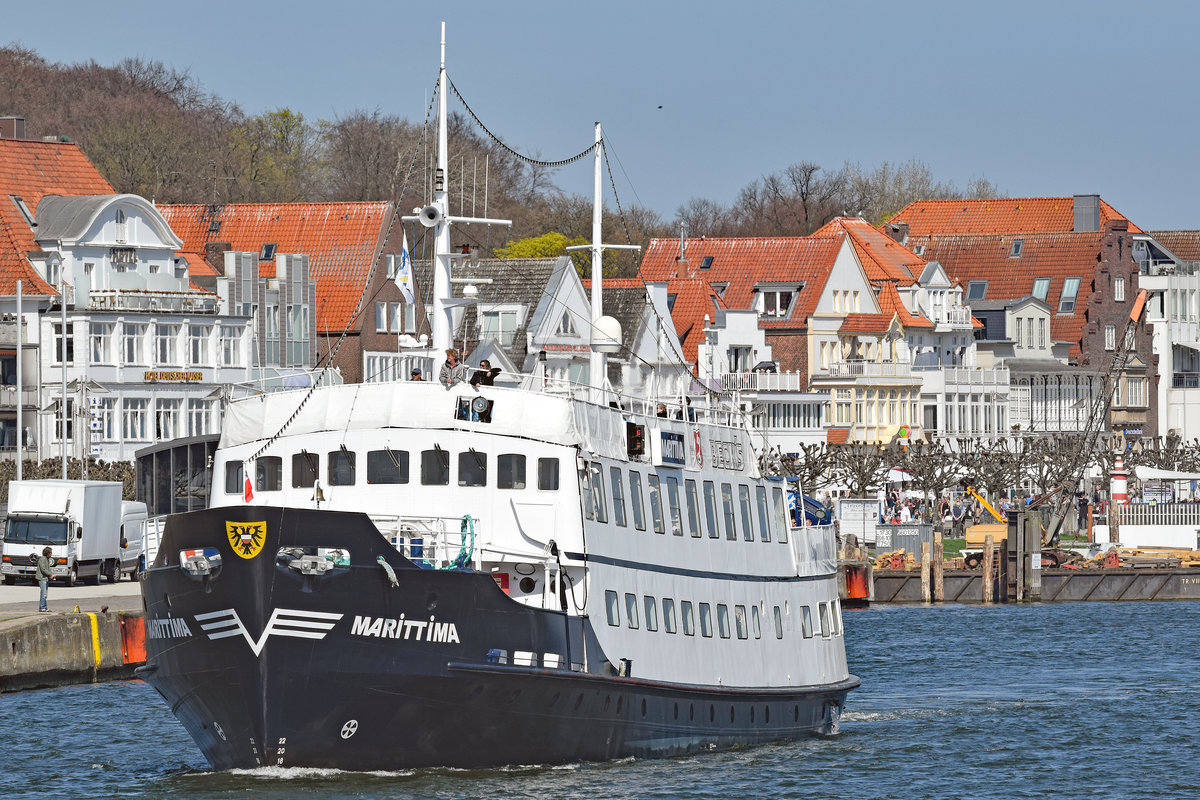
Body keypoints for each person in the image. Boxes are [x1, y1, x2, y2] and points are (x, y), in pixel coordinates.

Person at [36, 546, 53, 612]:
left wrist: (50, 575)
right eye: (50, 553)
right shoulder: (42, 559)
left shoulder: (47, 559)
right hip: (42, 578)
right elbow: (43, 569)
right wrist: (50, 574)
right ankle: (42, 607)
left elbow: (47, 569)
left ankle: (44, 607)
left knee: (45, 594)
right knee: (44, 594)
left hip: (45, 578)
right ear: (47, 553)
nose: (51, 554)